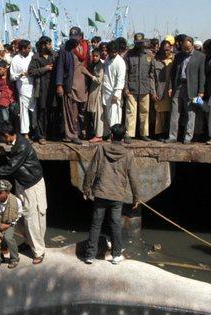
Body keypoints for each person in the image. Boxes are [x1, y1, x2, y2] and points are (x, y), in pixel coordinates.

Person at [0, 122, 47, 264]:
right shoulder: (17, 143)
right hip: (22, 183)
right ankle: (28, 241)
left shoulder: (22, 145)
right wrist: (6, 154)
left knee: (33, 218)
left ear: (6, 135)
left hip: (32, 185)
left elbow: (10, 168)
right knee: (20, 216)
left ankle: (39, 251)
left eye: (1, 137)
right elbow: (14, 160)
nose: (0, 140)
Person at [82, 124, 140, 264]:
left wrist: (86, 189)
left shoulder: (101, 148)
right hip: (116, 196)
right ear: (123, 137)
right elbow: (134, 177)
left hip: (101, 193)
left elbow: (92, 170)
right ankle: (116, 255)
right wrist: (136, 197)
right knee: (115, 225)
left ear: (112, 136)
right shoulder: (128, 154)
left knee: (96, 225)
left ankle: (90, 255)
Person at [166, 36, 205, 144]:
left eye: (188, 48)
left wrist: (201, 91)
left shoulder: (200, 56)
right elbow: (173, 73)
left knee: (190, 113)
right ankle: (172, 136)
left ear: (192, 45)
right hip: (178, 86)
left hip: (192, 88)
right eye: (184, 48)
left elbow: (202, 75)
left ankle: (188, 137)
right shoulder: (178, 56)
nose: (186, 50)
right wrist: (170, 87)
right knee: (174, 112)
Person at [56, 27, 90, 145]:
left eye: (76, 38)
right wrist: (59, 85)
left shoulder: (85, 47)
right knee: (70, 111)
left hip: (83, 84)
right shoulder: (64, 49)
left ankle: (80, 131)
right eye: (72, 38)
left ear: (81, 36)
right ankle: (71, 135)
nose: (74, 40)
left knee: (81, 111)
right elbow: (60, 67)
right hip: (70, 84)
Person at [124, 33, 154, 142]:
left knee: (144, 112)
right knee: (130, 112)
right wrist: (125, 88)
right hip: (131, 88)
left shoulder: (149, 55)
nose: (139, 45)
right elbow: (125, 73)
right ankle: (129, 134)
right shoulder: (128, 54)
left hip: (145, 88)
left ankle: (143, 133)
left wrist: (151, 89)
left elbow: (152, 74)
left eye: (141, 43)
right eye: (137, 43)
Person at [28, 36, 57, 144]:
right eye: (47, 44)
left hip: (53, 87)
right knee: (42, 112)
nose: (49, 46)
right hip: (42, 88)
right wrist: (45, 69)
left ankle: (53, 134)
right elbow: (31, 72)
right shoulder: (36, 57)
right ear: (42, 45)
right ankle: (41, 135)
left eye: (50, 44)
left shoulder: (54, 55)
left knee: (53, 111)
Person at [0, 179, 23, 268]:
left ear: (7, 192)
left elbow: (18, 215)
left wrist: (8, 225)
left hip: (9, 223)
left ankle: (14, 258)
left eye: (0, 192)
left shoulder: (16, 201)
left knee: (8, 238)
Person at [151, 37, 175, 140]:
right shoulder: (155, 61)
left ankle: (170, 133)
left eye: (168, 49)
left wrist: (172, 88)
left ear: (171, 48)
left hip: (170, 91)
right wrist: (153, 92)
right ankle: (160, 133)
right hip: (159, 91)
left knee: (171, 113)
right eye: (164, 49)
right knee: (160, 114)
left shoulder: (174, 60)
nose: (166, 52)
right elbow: (151, 78)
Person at [101, 41, 126, 138]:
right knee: (107, 115)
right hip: (106, 91)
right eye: (112, 52)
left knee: (115, 115)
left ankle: (115, 135)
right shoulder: (107, 59)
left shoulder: (120, 62)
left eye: (115, 52)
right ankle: (108, 133)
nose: (114, 54)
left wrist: (116, 94)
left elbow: (120, 79)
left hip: (114, 93)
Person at [10, 40, 34, 140]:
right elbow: (12, 77)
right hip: (23, 87)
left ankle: (35, 131)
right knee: (24, 111)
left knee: (34, 110)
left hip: (34, 86)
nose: (30, 49)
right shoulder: (15, 60)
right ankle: (25, 133)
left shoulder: (32, 56)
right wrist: (20, 75)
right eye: (28, 48)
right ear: (23, 49)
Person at [85, 45, 105, 142]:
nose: (94, 58)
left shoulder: (100, 66)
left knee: (98, 114)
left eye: (96, 56)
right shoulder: (94, 65)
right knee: (94, 114)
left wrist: (89, 75)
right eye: (93, 56)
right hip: (93, 92)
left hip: (97, 93)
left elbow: (98, 80)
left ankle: (99, 135)